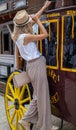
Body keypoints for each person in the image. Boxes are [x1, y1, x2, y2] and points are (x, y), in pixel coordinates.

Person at [10, 1, 56, 130]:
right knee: (42, 96)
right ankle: (46, 127)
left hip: (31, 66)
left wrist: (44, 7)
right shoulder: (26, 36)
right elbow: (45, 34)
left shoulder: (18, 35)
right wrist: (39, 21)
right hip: (36, 65)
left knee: (37, 96)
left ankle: (25, 120)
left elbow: (34, 19)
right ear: (24, 25)